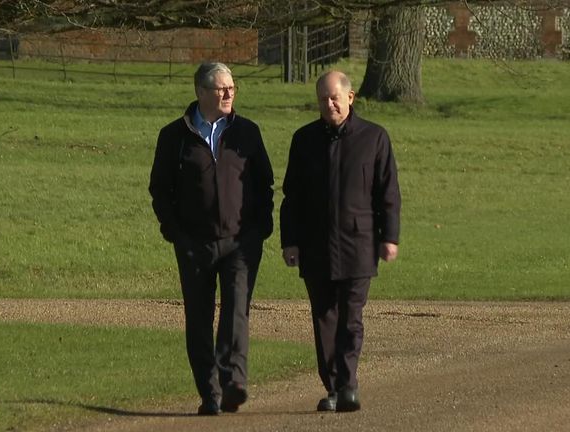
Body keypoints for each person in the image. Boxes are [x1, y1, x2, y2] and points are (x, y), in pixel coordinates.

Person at [149, 62, 274, 415]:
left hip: (240, 241)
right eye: (220, 88)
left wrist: (260, 228)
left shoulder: (247, 132)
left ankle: (234, 381)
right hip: (194, 244)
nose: (228, 93)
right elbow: (160, 189)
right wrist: (175, 234)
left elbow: (264, 182)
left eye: (231, 87)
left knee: (236, 310)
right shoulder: (174, 136)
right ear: (201, 92)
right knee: (199, 319)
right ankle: (210, 393)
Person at [279, 70, 401, 413]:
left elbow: (387, 192)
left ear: (351, 97)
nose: (328, 104)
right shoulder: (303, 140)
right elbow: (292, 197)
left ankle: (349, 383)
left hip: (358, 243)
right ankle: (332, 387)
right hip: (315, 244)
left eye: (334, 97)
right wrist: (290, 241)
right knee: (324, 318)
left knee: (351, 317)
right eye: (322, 99)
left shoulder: (374, 138)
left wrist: (389, 237)